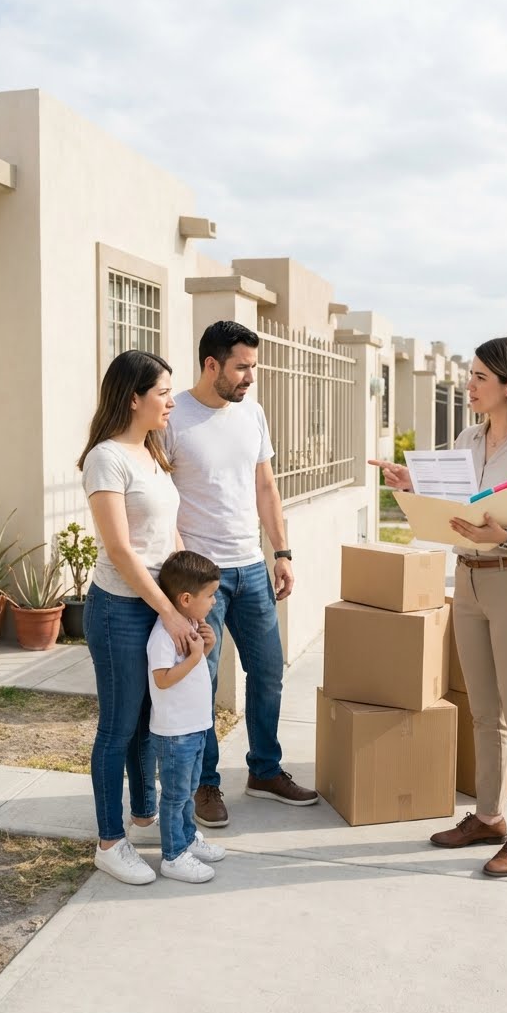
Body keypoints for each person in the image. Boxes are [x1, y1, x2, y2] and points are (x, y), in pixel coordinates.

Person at [373, 337, 507, 877]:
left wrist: (506, 534)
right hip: (469, 583)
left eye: (481, 376)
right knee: (484, 712)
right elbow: (456, 500)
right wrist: (412, 485)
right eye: (472, 375)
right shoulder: (468, 436)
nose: (471, 384)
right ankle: (488, 818)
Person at [165, 319, 319, 827]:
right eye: (242, 367)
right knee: (201, 684)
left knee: (269, 672)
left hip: (251, 567)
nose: (251, 376)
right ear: (212, 365)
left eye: (253, 366)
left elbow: (265, 488)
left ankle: (265, 770)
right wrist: (182, 573)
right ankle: (206, 786)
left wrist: (283, 551)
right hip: (201, 577)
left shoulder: (252, 413)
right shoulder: (173, 417)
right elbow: (161, 496)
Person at [79, 350, 194, 886]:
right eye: (164, 391)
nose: (172, 400)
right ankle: (109, 841)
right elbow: (122, 551)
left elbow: (166, 536)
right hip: (119, 608)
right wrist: (169, 610)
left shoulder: (151, 452)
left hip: (156, 603)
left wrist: (186, 597)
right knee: (119, 726)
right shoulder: (108, 457)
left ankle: (146, 814)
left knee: (151, 720)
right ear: (134, 398)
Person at [147, 550, 227, 883]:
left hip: (196, 728)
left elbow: (191, 673)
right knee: (175, 795)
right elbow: (163, 679)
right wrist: (196, 657)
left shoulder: (193, 624)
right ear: (185, 598)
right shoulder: (163, 636)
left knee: (190, 789)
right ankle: (173, 856)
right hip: (175, 733)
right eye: (209, 595)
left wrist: (204, 650)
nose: (214, 601)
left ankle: (187, 838)